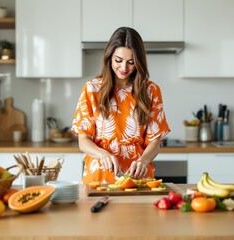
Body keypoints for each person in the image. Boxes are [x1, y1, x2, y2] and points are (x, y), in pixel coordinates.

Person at [71, 27, 170, 184]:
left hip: (139, 178)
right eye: (118, 60)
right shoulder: (92, 89)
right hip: (99, 176)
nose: (124, 68)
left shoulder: (151, 91)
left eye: (131, 62)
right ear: (110, 57)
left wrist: (144, 160)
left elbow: (155, 141)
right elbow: (83, 140)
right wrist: (102, 154)